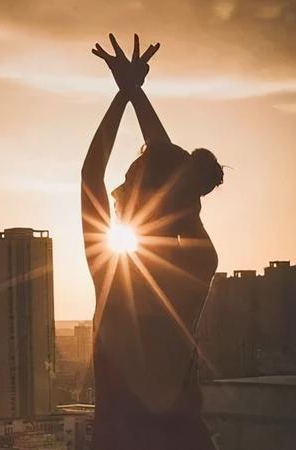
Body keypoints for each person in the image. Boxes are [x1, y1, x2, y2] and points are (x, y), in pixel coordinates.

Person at [81, 33, 223, 450]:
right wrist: (134, 92)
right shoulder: (199, 262)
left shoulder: (111, 273)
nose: (116, 190)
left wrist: (126, 94)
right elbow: (170, 173)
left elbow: (91, 175)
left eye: (126, 181)